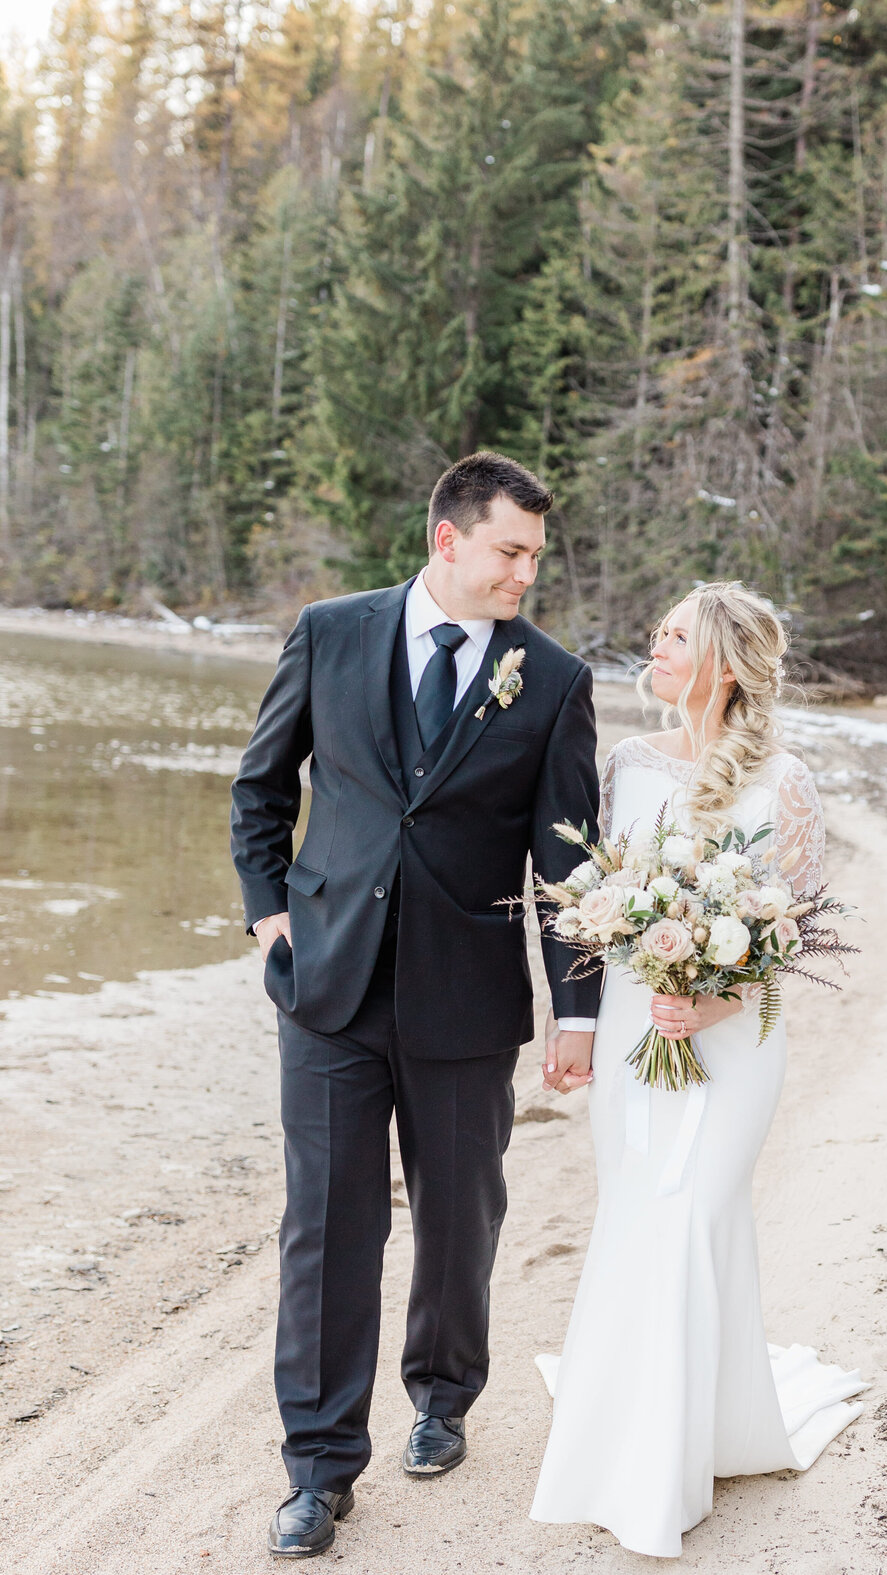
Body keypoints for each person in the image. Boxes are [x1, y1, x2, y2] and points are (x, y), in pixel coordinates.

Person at [230, 452, 602, 1560]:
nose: (525, 575)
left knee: (457, 1219)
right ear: (448, 539)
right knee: (326, 1227)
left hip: (467, 995)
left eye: (535, 556)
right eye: (510, 552)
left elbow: (569, 864)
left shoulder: (554, 680)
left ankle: (442, 1401)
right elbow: (261, 787)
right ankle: (319, 1466)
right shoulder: (332, 632)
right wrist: (267, 916)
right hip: (329, 989)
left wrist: (575, 1010)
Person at [529, 581, 868, 1559]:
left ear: (723, 662)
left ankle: (667, 1464)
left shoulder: (786, 780)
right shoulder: (629, 764)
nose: (657, 644)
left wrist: (710, 998)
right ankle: (649, 1422)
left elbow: (791, 927)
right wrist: (605, 999)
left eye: (677, 635)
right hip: (642, 1033)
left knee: (690, 1211)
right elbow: (596, 899)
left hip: (733, 1041)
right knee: (639, 1213)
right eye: (661, 632)